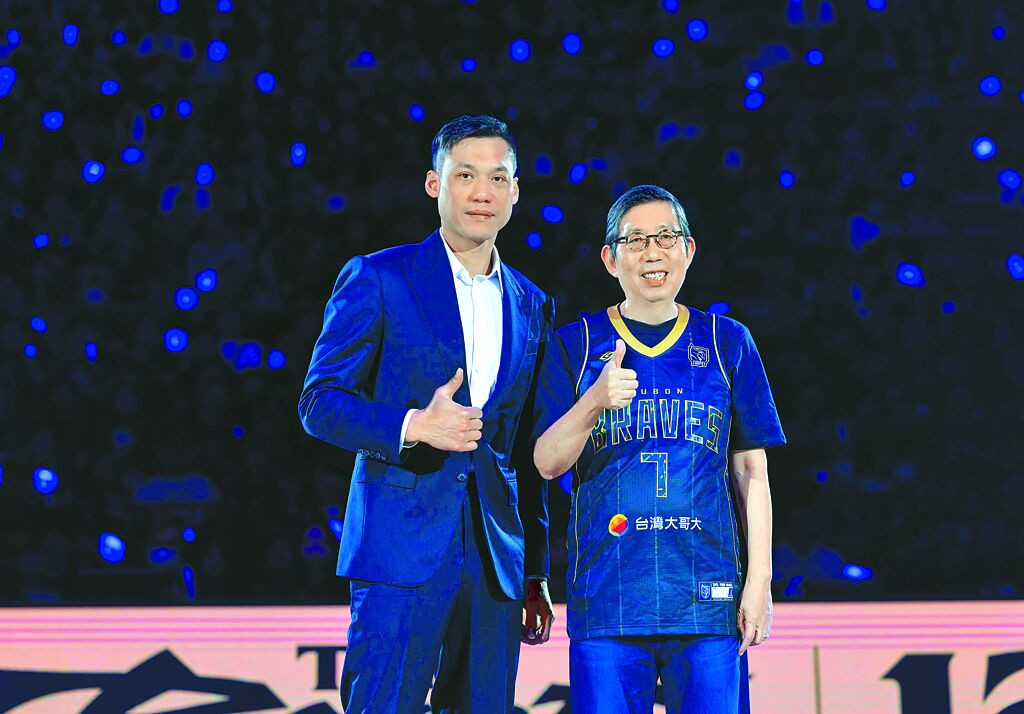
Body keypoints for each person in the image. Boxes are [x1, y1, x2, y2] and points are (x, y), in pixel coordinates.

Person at [298, 114, 556, 713]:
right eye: (466, 175)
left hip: (495, 560)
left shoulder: (532, 302)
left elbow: (524, 448)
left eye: (498, 178)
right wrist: (413, 426)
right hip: (400, 547)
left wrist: (534, 571)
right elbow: (319, 402)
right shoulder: (379, 277)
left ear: (516, 191)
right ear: (434, 184)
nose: (483, 192)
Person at [532, 184, 785, 713]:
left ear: (688, 250)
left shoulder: (728, 341)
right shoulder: (574, 344)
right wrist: (594, 401)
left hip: (708, 600)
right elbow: (547, 463)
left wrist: (759, 580)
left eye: (667, 237)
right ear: (610, 258)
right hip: (608, 600)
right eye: (636, 240)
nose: (653, 252)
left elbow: (752, 472)